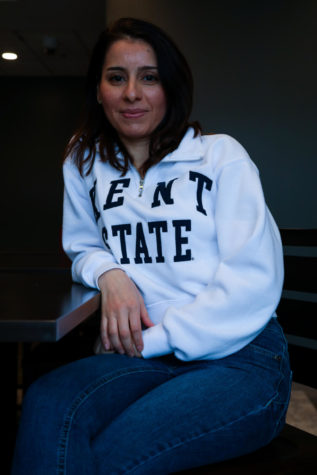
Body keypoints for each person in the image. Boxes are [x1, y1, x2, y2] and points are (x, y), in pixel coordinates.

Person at [12, 17, 292, 474]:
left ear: (171, 86)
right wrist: (111, 273)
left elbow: (252, 283)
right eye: (116, 77)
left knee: (112, 455)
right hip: (146, 355)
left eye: (150, 77)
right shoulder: (84, 159)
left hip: (240, 357)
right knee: (46, 402)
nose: (132, 94)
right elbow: (82, 246)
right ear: (98, 89)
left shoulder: (221, 156)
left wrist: (156, 338)